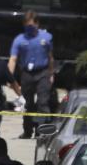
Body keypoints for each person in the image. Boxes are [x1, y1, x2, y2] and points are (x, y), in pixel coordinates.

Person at [8, 11, 55, 139]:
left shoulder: (46, 37)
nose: (29, 28)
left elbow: (50, 57)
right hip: (27, 74)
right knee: (27, 104)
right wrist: (9, 76)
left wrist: (51, 74)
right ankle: (27, 131)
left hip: (43, 72)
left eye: (31, 26)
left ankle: (42, 131)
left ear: (37, 24)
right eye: (26, 26)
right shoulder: (19, 40)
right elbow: (13, 59)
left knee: (42, 102)